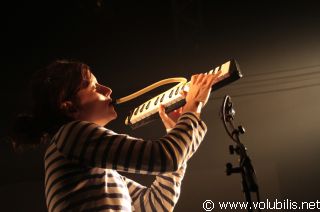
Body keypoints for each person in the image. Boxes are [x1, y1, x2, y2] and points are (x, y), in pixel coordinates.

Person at [9, 59, 219, 212]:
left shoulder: (95, 167)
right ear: (69, 107)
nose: (108, 89)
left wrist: (176, 132)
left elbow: (155, 204)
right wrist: (193, 107)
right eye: (93, 87)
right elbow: (166, 158)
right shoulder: (71, 134)